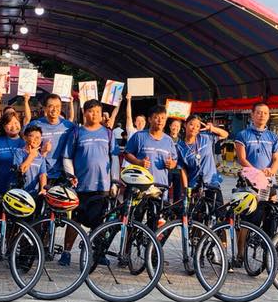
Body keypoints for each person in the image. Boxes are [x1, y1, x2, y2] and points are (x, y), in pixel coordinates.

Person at [62, 99, 116, 265]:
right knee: (74, 221)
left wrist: (114, 181)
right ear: (84, 113)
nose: (95, 115)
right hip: (81, 186)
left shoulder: (108, 133)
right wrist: (71, 176)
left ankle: (98, 253)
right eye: (91, 111)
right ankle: (66, 252)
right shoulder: (77, 133)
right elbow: (67, 157)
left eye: (98, 112)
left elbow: (114, 158)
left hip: (103, 186)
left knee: (100, 221)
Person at [176, 114, 229, 208]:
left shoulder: (205, 137)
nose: (194, 128)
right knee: (197, 218)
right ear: (185, 125)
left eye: (197, 126)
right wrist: (186, 189)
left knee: (219, 212)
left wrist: (211, 128)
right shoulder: (180, 147)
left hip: (212, 182)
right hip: (195, 185)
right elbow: (182, 169)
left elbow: (225, 134)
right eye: (191, 124)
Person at [124, 105, 179, 189]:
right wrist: (139, 162)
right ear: (149, 119)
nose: (160, 121)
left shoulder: (168, 140)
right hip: (141, 185)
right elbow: (127, 154)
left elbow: (174, 160)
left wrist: (171, 164)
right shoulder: (139, 136)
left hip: (161, 186)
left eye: (163, 118)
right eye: (156, 117)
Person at [25, 93, 75, 183]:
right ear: (45, 108)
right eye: (51, 106)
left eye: (57, 106)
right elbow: (24, 140)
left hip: (62, 175)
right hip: (40, 174)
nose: (54, 109)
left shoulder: (68, 126)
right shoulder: (36, 124)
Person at [234, 102, 278, 182]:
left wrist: (271, 171)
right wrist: (257, 173)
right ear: (252, 115)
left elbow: (276, 159)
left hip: (268, 178)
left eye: (265, 113)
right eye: (259, 113)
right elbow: (242, 159)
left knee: (271, 195)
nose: (262, 115)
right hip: (249, 178)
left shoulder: (274, 137)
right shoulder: (242, 135)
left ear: (268, 116)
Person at [0, 109, 25, 196]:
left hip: (18, 188)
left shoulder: (25, 142)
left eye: (16, 122)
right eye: (9, 123)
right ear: (3, 126)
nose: (13, 126)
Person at [13, 124, 48, 197]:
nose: (36, 139)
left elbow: (42, 175)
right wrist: (31, 156)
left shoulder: (41, 157)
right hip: (19, 193)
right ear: (25, 138)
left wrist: (43, 189)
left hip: (34, 194)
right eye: (32, 136)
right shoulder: (19, 152)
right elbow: (21, 170)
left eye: (38, 137)